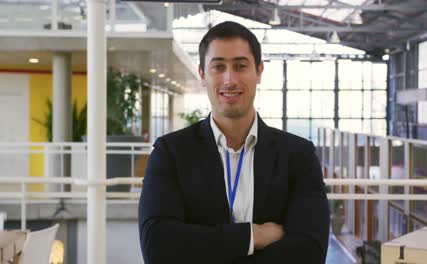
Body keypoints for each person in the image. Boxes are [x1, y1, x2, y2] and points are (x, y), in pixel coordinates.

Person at [138, 21, 330, 264]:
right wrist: (253, 236)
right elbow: (157, 247)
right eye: (218, 66)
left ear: (259, 72)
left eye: (240, 66)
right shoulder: (171, 152)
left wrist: (204, 250)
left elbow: (310, 252)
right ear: (202, 74)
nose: (230, 80)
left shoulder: (298, 155)